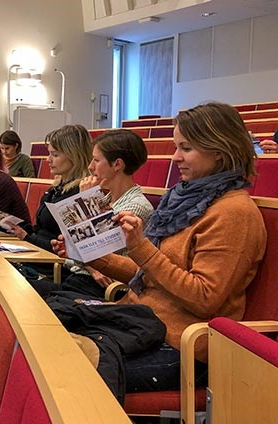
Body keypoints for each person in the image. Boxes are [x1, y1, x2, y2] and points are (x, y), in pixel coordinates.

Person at [52, 102, 267, 395]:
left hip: (181, 346)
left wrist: (142, 248)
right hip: (139, 322)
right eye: (177, 146)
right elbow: (148, 277)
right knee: (48, 337)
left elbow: (205, 298)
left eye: (186, 148)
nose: (175, 157)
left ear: (219, 150)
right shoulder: (183, 201)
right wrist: (88, 253)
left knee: (64, 371)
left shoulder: (233, 214)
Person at [58, 129, 155, 298]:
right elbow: (81, 250)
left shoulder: (136, 206)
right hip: (78, 277)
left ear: (117, 164)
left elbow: (101, 255)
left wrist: (86, 200)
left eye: (96, 160)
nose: (90, 167)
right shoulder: (106, 199)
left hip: (105, 289)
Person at [8, 124, 93, 252]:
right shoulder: (56, 188)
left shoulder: (81, 191)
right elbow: (39, 230)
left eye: (55, 155)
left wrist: (27, 238)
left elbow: (71, 249)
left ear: (74, 157)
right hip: (38, 254)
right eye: (49, 154)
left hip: (53, 265)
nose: (48, 159)